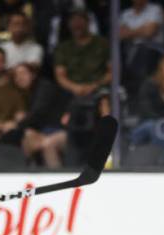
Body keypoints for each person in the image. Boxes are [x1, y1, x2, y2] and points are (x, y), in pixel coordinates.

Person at [52, 8, 110, 141]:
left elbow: (112, 72)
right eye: (73, 21)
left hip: (98, 89)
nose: (77, 24)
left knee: (104, 99)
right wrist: (75, 88)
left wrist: (94, 86)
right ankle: (65, 135)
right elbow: (60, 75)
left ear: (88, 22)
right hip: (70, 91)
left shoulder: (102, 44)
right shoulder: (64, 47)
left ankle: (107, 137)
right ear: (68, 24)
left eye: (80, 20)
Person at [12, 62, 67, 168]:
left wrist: (17, 124)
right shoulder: (24, 93)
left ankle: (56, 180)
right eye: (16, 76)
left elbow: (38, 113)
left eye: (23, 74)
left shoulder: (44, 87)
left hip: (63, 131)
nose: (19, 78)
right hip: (46, 131)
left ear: (33, 75)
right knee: (27, 137)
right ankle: (30, 173)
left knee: (48, 145)